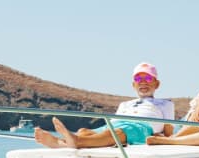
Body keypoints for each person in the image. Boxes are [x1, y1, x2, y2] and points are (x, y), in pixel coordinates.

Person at [34, 62, 175, 148]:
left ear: (157, 84)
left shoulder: (165, 104)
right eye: (138, 78)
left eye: (148, 78)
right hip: (116, 125)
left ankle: (73, 142)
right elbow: (113, 124)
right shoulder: (125, 104)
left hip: (141, 127)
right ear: (133, 84)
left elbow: (168, 131)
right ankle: (65, 143)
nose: (143, 82)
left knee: (117, 133)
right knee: (85, 130)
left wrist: (160, 136)